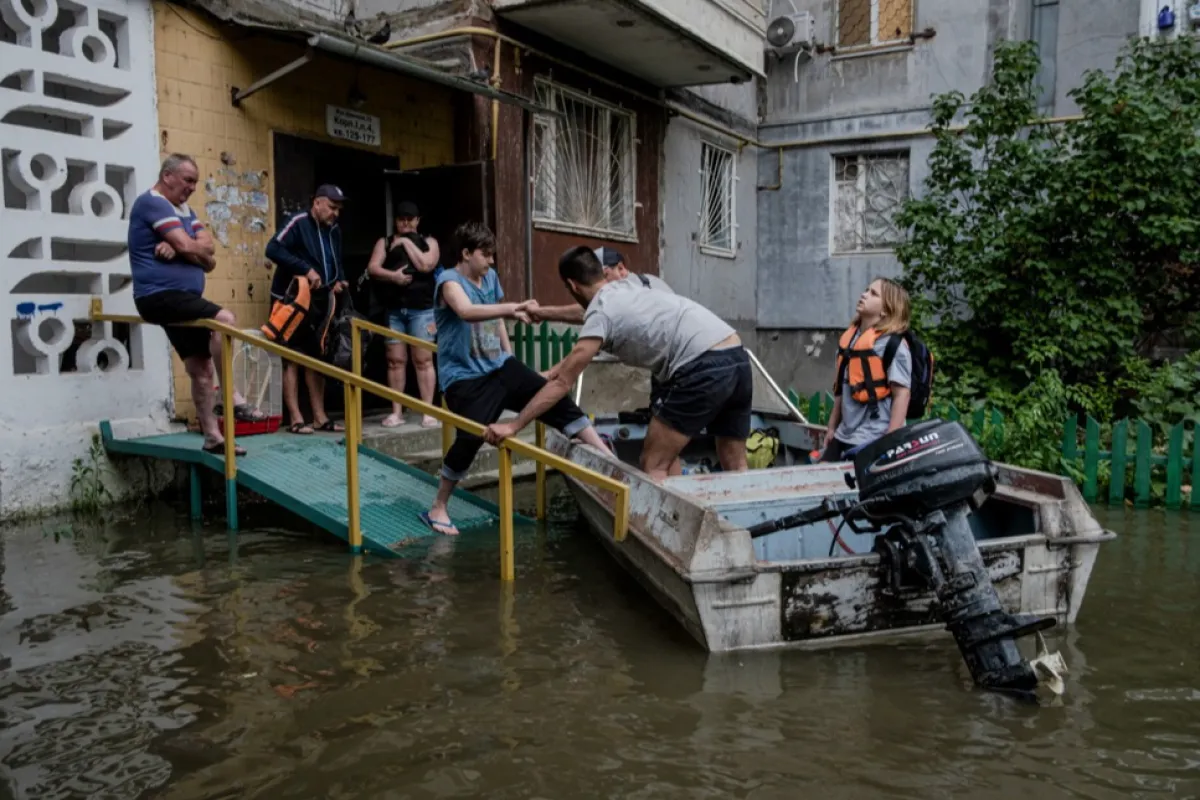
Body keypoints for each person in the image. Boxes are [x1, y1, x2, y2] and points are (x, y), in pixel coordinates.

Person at [484, 246, 751, 482]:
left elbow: (562, 384)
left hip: (701, 365)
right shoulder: (625, 287)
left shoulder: (602, 313)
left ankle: (664, 535)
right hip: (736, 354)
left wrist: (513, 425)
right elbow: (586, 312)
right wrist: (543, 313)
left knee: (653, 464)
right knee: (734, 462)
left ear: (573, 286)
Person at [421, 223, 609, 536]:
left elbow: (496, 322)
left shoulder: (489, 278)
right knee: (470, 438)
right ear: (466, 253)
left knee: (554, 398)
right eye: (485, 255)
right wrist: (515, 307)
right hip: (464, 378)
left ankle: (606, 456)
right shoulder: (448, 281)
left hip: (500, 365)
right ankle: (438, 507)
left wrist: (510, 358)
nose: (491, 261)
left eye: (492, 255)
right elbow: (467, 312)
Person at [129, 153, 265, 456]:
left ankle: (212, 436)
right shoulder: (152, 202)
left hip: (182, 299)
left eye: (195, 182)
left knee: (200, 368)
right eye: (188, 180)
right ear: (168, 176)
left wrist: (182, 247)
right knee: (225, 320)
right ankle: (229, 395)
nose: (192, 188)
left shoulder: (183, 210)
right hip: (158, 296)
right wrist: (186, 246)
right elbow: (191, 245)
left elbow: (210, 252)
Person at [265, 184, 349, 435]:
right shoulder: (298, 222)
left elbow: (336, 261)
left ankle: (320, 417)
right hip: (293, 299)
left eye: (339, 209)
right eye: (332, 207)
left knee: (317, 357)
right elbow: (273, 248)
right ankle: (296, 418)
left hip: (322, 301)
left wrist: (339, 280)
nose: (335, 213)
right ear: (317, 203)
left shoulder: (334, 230)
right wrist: (305, 269)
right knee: (291, 357)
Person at [820, 277, 912, 462]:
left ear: (886, 309)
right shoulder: (850, 340)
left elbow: (902, 394)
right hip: (844, 433)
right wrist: (831, 428)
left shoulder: (893, 345)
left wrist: (890, 441)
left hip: (875, 436)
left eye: (873, 294)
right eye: (866, 290)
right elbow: (841, 389)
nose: (864, 295)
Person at [366, 200, 441, 428]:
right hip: (395, 310)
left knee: (424, 360)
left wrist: (406, 243)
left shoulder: (430, 241)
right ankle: (396, 412)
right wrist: (393, 277)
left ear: (418, 220)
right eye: (401, 219)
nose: (405, 223)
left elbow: (426, 265)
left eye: (410, 219)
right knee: (395, 361)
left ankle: (428, 412)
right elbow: (373, 268)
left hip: (423, 310)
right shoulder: (385, 242)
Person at [525, 246, 672, 325]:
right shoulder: (647, 282)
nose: (600, 284)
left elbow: (589, 311)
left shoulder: (631, 286)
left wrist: (540, 312)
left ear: (621, 269)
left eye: (603, 275)